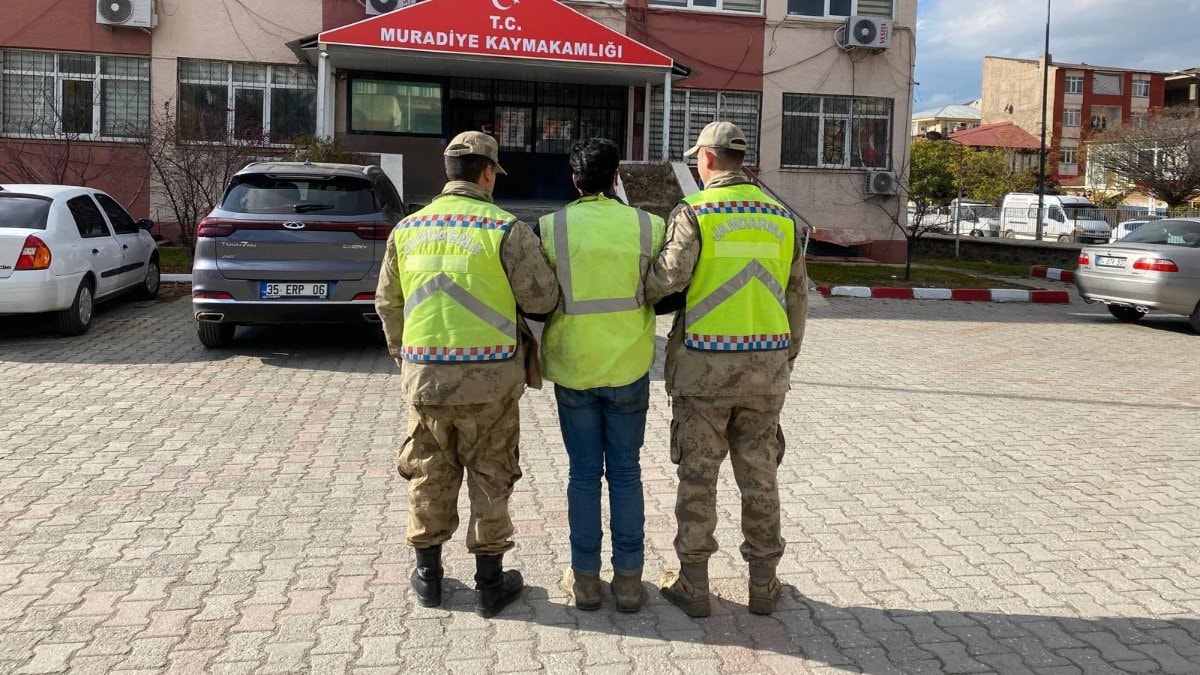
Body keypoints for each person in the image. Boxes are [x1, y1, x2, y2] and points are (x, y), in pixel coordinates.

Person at [375, 131, 560, 618]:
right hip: (491, 383)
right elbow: (542, 299)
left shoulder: (407, 229)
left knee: (429, 474)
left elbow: (388, 304)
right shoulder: (505, 229)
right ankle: (490, 586)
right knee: (491, 475)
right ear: (487, 173)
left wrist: (406, 359)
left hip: (426, 381)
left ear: (448, 172)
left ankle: (429, 579)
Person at [644, 121, 808, 617]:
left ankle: (694, 586)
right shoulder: (783, 218)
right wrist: (785, 358)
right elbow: (797, 297)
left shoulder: (695, 212)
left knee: (698, 477)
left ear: (708, 159)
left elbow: (666, 280)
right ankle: (764, 584)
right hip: (766, 371)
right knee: (760, 477)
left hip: (704, 371)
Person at [535, 138, 666, 613]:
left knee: (584, 475)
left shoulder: (551, 227)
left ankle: (586, 581)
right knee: (627, 473)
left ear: (575, 180)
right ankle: (629, 582)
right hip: (629, 367)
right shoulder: (649, 226)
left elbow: (539, 296)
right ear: (616, 178)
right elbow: (664, 289)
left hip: (574, 368)